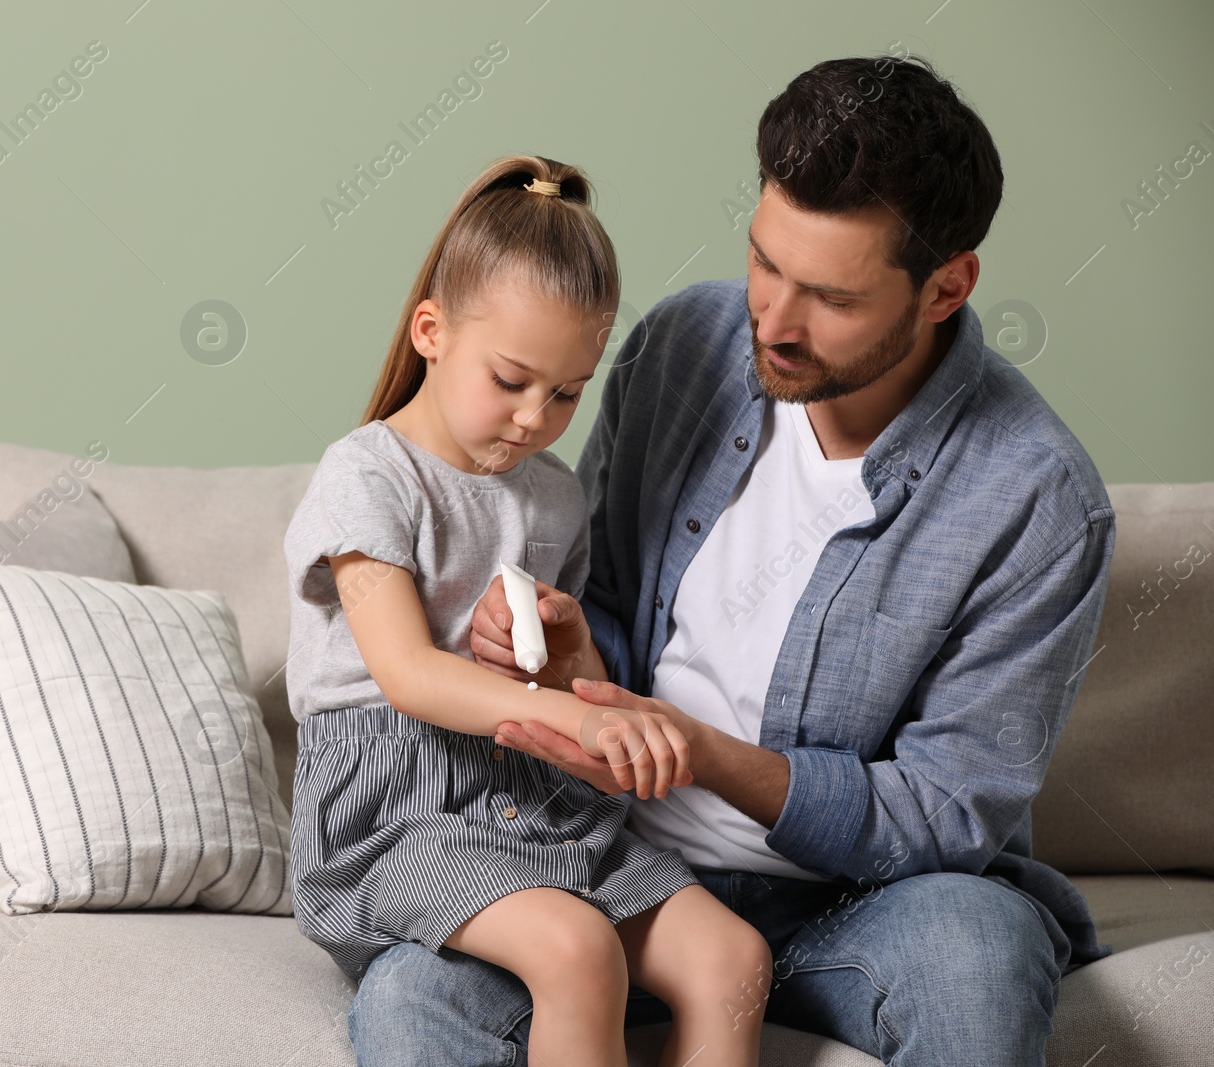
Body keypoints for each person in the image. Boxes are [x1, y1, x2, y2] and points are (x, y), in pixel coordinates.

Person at [348, 56, 1118, 1066]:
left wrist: (708, 755)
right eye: (765, 262)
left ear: (946, 287)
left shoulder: (1036, 498)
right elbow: (612, 608)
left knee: (977, 961)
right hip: (616, 858)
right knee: (413, 996)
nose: (773, 319)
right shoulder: (680, 350)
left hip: (868, 902)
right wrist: (575, 652)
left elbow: (947, 812)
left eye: (830, 297)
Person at [283, 155, 772, 1067]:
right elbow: (409, 672)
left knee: (733, 958)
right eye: (509, 380)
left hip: (533, 800)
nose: (534, 418)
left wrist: (564, 662)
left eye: (567, 393)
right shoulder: (368, 475)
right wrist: (560, 708)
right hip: (398, 812)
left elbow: (552, 677)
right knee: (577, 948)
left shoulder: (553, 498)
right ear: (431, 331)